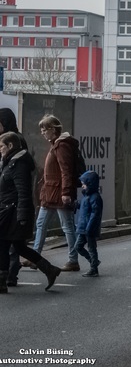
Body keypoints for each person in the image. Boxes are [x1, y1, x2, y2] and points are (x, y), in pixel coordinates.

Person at [0, 132, 61, 293]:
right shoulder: (10, 162)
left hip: (13, 212)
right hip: (9, 211)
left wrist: (22, 216)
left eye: (1, 146)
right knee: (19, 247)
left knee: (4, 244)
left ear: (10, 146)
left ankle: (2, 282)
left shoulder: (19, 164)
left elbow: (23, 191)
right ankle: (50, 270)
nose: (0, 149)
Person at [28, 115, 80, 272]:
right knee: (42, 224)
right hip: (51, 193)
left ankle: (73, 260)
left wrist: (66, 192)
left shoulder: (61, 146)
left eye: (44, 130)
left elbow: (66, 171)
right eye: (41, 130)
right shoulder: (57, 145)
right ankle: (35, 257)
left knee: (67, 227)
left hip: (57, 193)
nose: (42, 133)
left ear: (53, 130)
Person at [0, 108, 29, 286]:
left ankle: (9, 275)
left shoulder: (16, 142)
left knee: (11, 243)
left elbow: (20, 182)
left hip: (13, 203)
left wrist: (22, 210)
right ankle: (48, 269)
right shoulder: (4, 141)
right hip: (5, 200)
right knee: (13, 243)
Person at [74, 171, 103, 277]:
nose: (82, 185)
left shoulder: (94, 197)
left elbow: (95, 214)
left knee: (91, 248)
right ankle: (93, 262)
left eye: (84, 183)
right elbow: (82, 207)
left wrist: (90, 227)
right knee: (78, 247)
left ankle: (94, 268)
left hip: (89, 228)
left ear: (90, 184)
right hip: (83, 227)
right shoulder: (86, 196)